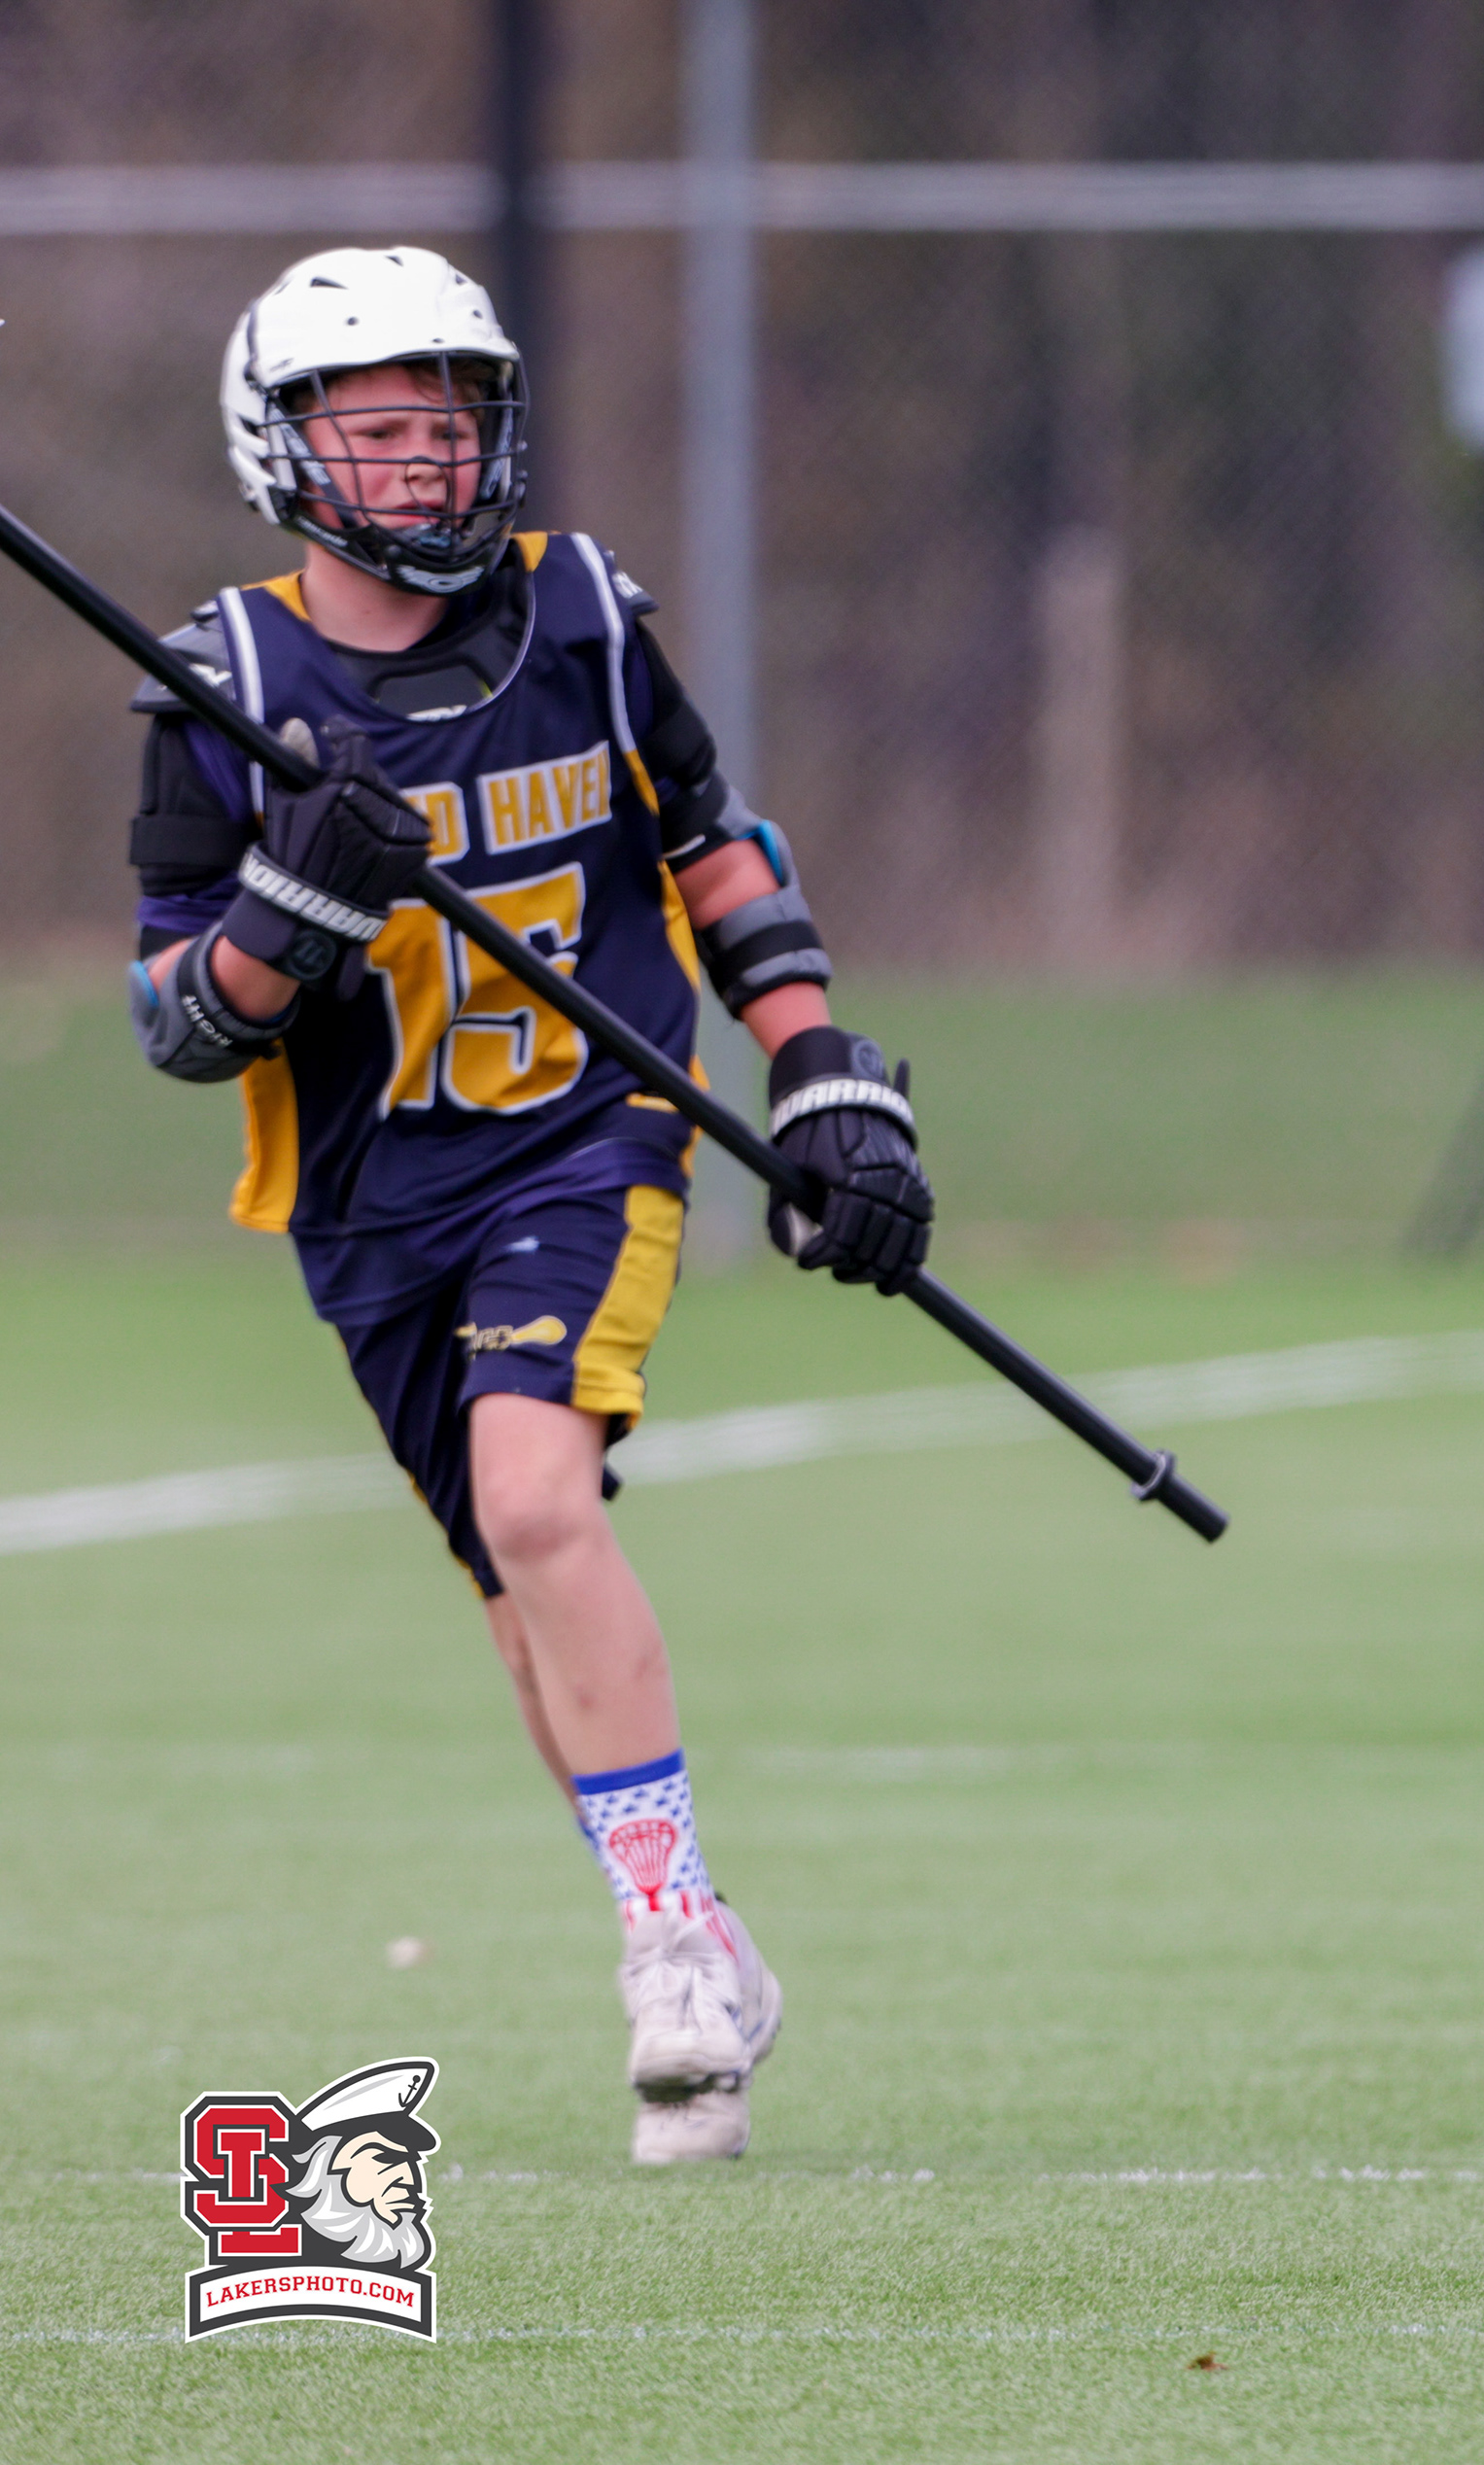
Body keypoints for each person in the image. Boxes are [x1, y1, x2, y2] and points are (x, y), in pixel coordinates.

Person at [123, 246, 935, 2164]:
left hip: (589, 1131)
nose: (426, 461)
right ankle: (703, 1919)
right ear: (285, 448)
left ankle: (661, 1949)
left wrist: (817, 1062)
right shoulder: (224, 688)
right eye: (379, 430)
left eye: (451, 422)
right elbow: (176, 1020)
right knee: (519, 1601)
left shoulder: (580, 613)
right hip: (370, 1198)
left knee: (537, 1501)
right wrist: (287, 915)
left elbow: (711, 845)